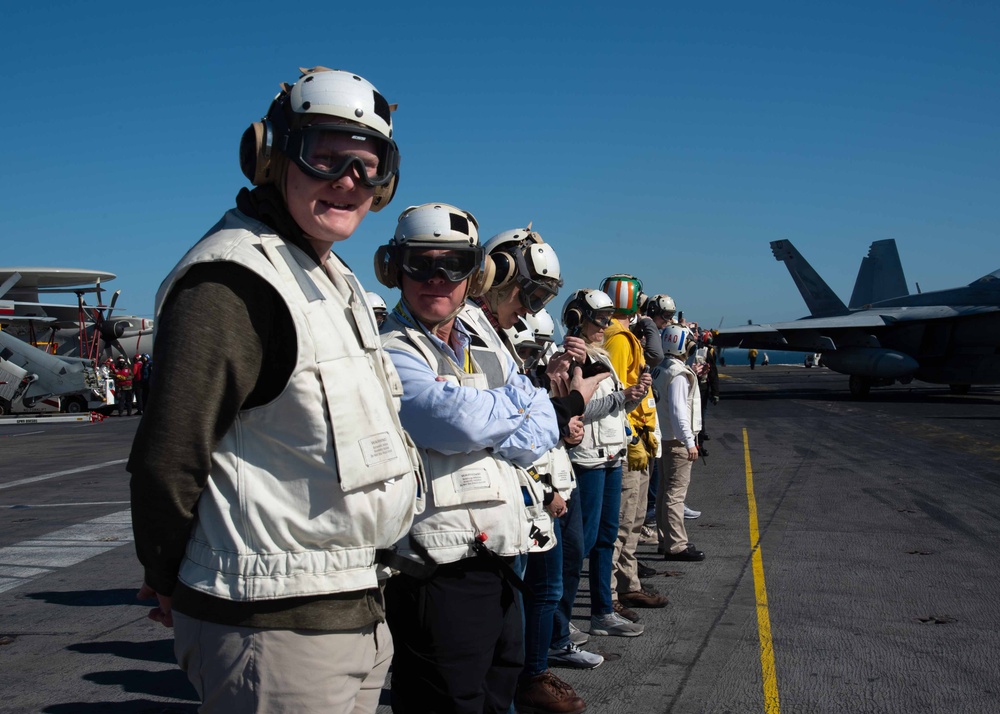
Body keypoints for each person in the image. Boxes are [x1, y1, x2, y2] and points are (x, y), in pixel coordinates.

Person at [128, 67, 420, 714]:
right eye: (325, 154)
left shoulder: (327, 275)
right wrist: (166, 573)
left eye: (369, 165)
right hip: (271, 629)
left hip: (354, 610)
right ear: (271, 153)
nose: (350, 179)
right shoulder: (234, 282)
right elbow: (169, 455)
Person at [376, 203, 603, 714]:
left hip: (496, 556)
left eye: (454, 265)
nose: (437, 278)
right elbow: (454, 422)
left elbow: (531, 440)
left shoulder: (478, 346)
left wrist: (503, 411)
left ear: (474, 274)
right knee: (449, 702)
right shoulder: (390, 348)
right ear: (393, 269)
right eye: (419, 263)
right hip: (435, 569)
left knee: (498, 695)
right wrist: (524, 401)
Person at [555, 289, 647, 645]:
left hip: (611, 455)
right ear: (579, 319)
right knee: (583, 542)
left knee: (607, 536)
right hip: (589, 460)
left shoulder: (602, 357)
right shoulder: (570, 358)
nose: (605, 326)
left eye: (608, 319)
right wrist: (621, 397)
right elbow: (578, 409)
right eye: (600, 320)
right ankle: (562, 620)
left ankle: (602, 612)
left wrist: (630, 397)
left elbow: (610, 408)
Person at [600, 274, 667, 614]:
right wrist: (632, 436)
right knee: (623, 521)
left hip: (638, 436)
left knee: (634, 520)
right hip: (629, 439)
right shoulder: (619, 339)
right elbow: (616, 393)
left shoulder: (624, 337)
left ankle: (628, 584)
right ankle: (610, 596)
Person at [651, 324, 706, 562]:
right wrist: (689, 441)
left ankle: (666, 540)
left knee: (664, 493)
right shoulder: (678, 374)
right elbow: (678, 410)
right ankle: (676, 545)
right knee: (675, 495)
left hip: (663, 438)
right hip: (676, 441)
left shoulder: (661, 368)